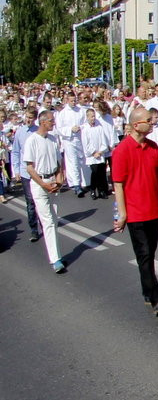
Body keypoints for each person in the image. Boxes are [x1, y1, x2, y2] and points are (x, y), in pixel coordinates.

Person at [112, 106, 158, 315]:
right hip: (135, 213)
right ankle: (156, 298)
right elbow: (118, 185)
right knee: (143, 254)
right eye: (148, 121)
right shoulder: (122, 150)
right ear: (136, 125)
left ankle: (146, 289)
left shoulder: (153, 148)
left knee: (150, 253)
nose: (152, 124)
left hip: (153, 210)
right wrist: (122, 214)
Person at [23, 110, 66, 273]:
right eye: (51, 120)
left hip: (53, 181)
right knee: (47, 221)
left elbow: (59, 162)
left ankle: (57, 254)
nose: (53, 123)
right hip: (39, 183)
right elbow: (30, 167)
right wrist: (43, 184)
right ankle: (56, 259)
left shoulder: (53, 139)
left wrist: (60, 178)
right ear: (42, 122)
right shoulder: (32, 140)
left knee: (54, 219)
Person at [11, 107, 40, 241]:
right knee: (30, 201)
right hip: (25, 172)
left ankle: (44, 224)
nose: (28, 120)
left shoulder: (38, 131)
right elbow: (16, 152)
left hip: (38, 171)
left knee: (40, 200)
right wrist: (16, 170)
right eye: (27, 117)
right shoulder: (20, 132)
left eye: (31, 117)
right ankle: (33, 229)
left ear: (35, 119)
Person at [55, 91, 88, 196]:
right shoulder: (63, 113)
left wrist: (80, 128)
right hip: (69, 140)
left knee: (82, 160)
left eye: (75, 100)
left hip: (80, 138)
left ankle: (85, 182)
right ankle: (76, 185)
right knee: (73, 162)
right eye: (71, 101)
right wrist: (70, 129)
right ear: (67, 100)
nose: (73, 103)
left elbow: (85, 123)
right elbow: (59, 128)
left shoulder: (80, 111)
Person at [81, 108, 110, 201]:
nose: (93, 118)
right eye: (92, 116)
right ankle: (93, 189)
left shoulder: (99, 127)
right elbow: (86, 144)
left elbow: (103, 141)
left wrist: (101, 151)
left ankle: (101, 191)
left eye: (94, 116)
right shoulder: (85, 129)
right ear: (87, 117)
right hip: (92, 156)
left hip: (100, 154)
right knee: (95, 172)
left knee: (102, 173)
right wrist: (94, 152)